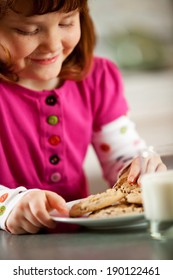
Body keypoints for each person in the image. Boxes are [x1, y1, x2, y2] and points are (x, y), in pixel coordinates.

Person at [0, 0, 166, 234]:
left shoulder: (97, 78)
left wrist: (137, 169)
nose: (52, 44)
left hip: (80, 244)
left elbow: (121, 155)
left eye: (66, 23)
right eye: (29, 30)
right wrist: (8, 205)